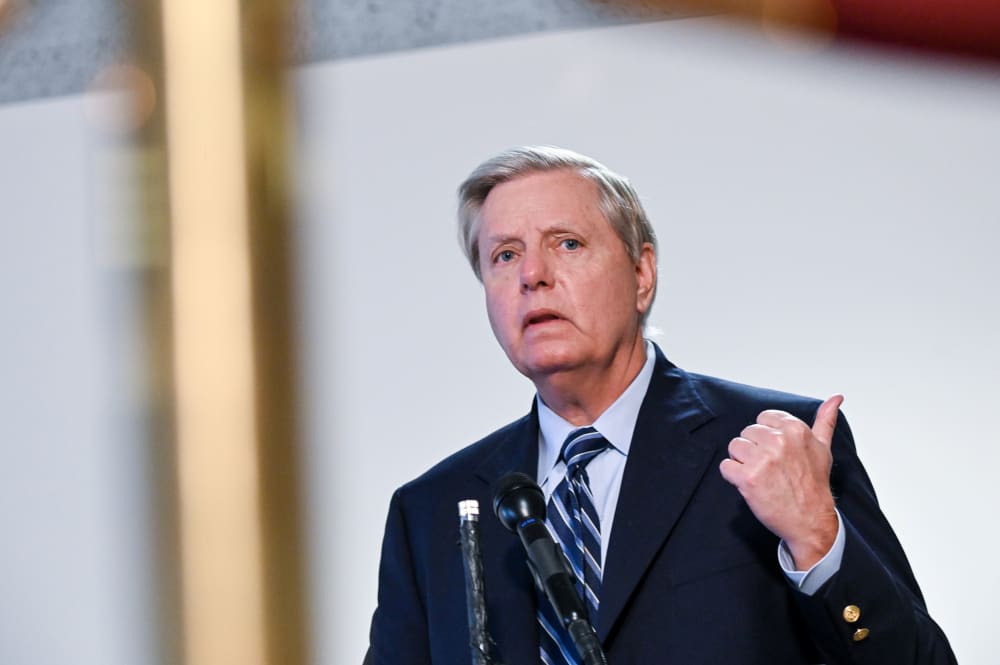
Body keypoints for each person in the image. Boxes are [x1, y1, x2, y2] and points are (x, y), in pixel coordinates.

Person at [365, 146, 956, 664]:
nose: (533, 275)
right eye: (504, 255)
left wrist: (818, 541)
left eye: (567, 244)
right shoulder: (430, 511)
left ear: (642, 273)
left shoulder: (779, 444)